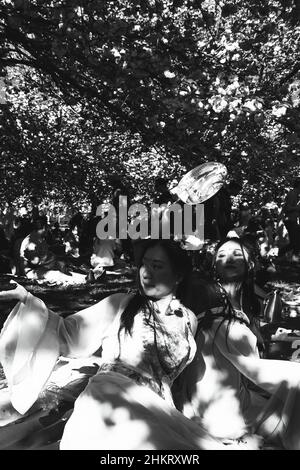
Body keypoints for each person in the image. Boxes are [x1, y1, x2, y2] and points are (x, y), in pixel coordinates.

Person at [0, 240, 227, 450]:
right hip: (108, 400)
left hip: (157, 408)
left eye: (157, 266)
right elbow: (67, 334)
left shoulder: (188, 319)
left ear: (178, 276)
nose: (146, 272)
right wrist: (29, 300)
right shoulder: (122, 304)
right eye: (144, 265)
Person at [173, 237, 300, 450]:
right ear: (213, 264)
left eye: (236, 254)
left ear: (250, 263)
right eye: (221, 255)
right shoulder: (201, 287)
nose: (228, 259)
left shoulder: (248, 300)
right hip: (208, 376)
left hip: (239, 379)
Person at [279, 178, 300, 262]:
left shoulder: (296, 195)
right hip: (290, 220)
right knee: (296, 241)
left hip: (293, 220)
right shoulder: (292, 194)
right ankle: (281, 253)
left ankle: (294, 258)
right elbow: (287, 208)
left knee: (296, 240)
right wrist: (297, 208)